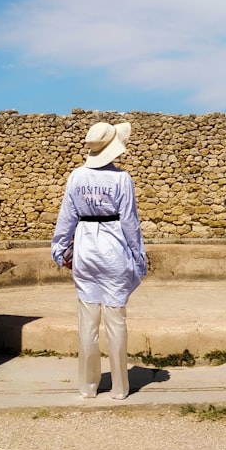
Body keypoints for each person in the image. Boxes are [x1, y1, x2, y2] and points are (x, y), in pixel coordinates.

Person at [51, 121, 147, 399]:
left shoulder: (76, 177)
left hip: (85, 251)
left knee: (87, 322)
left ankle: (88, 387)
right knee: (116, 321)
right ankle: (119, 387)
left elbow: (66, 217)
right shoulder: (121, 179)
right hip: (113, 251)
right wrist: (139, 258)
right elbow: (130, 222)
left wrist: (59, 250)